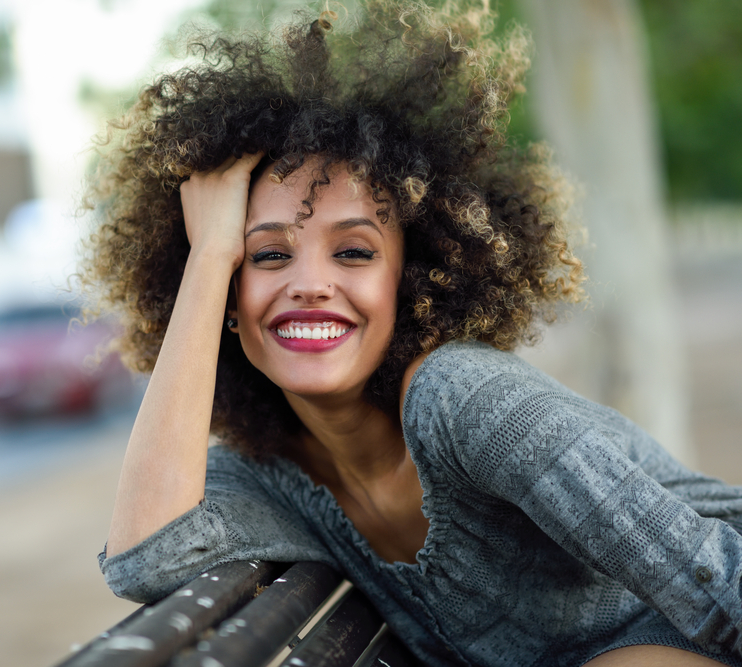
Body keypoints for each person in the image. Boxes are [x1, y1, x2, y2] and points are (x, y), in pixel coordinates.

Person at [81, 1, 742, 665]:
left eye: (354, 252)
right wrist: (209, 255)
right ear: (229, 295)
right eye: (268, 255)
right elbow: (146, 560)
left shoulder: (466, 402)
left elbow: (715, 578)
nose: (309, 283)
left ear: (413, 279)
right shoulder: (270, 476)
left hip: (672, 626)